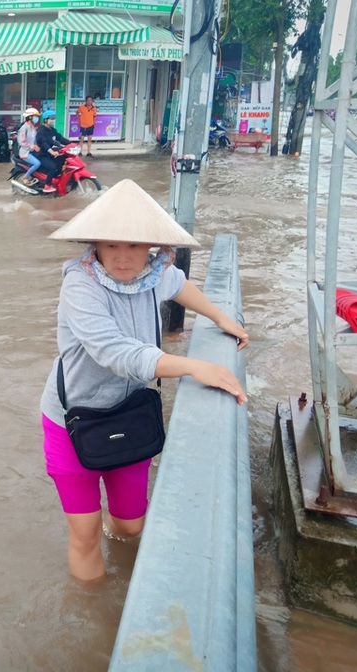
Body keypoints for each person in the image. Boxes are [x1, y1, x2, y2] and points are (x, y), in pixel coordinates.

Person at [39, 179, 249, 582]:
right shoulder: (80, 286)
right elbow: (115, 352)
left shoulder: (154, 275)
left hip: (131, 414)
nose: (123, 258)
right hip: (72, 421)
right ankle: (97, 615)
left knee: (131, 526)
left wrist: (221, 317)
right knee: (83, 535)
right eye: (112, 245)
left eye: (134, 245)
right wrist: (191, 366)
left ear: (151, 247)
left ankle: (117, 550)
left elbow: (180, 285)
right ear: (95, 244)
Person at [33, 110, 71, 194]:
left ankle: (55, 180)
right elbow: (44, 144)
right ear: (46, 120)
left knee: (61, 159)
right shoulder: (41, 131)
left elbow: (60, 138)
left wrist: (71, 144)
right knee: (52, 167)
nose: (53, 120)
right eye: (51, 118)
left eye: (54, 118)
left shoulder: (52, 130)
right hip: (42, 155)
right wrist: (52, 152)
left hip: (49, 153)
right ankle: (47, 185)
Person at [16, 108, 42, 186]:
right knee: (37, 164)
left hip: (32, 151)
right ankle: (25, 177)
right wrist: (33, 147)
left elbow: (34, 140)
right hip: (25, 153)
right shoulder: (23, 128)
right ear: (30, 117)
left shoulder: (32, 127)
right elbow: (22, 142)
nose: (37, 118)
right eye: (35, 116)